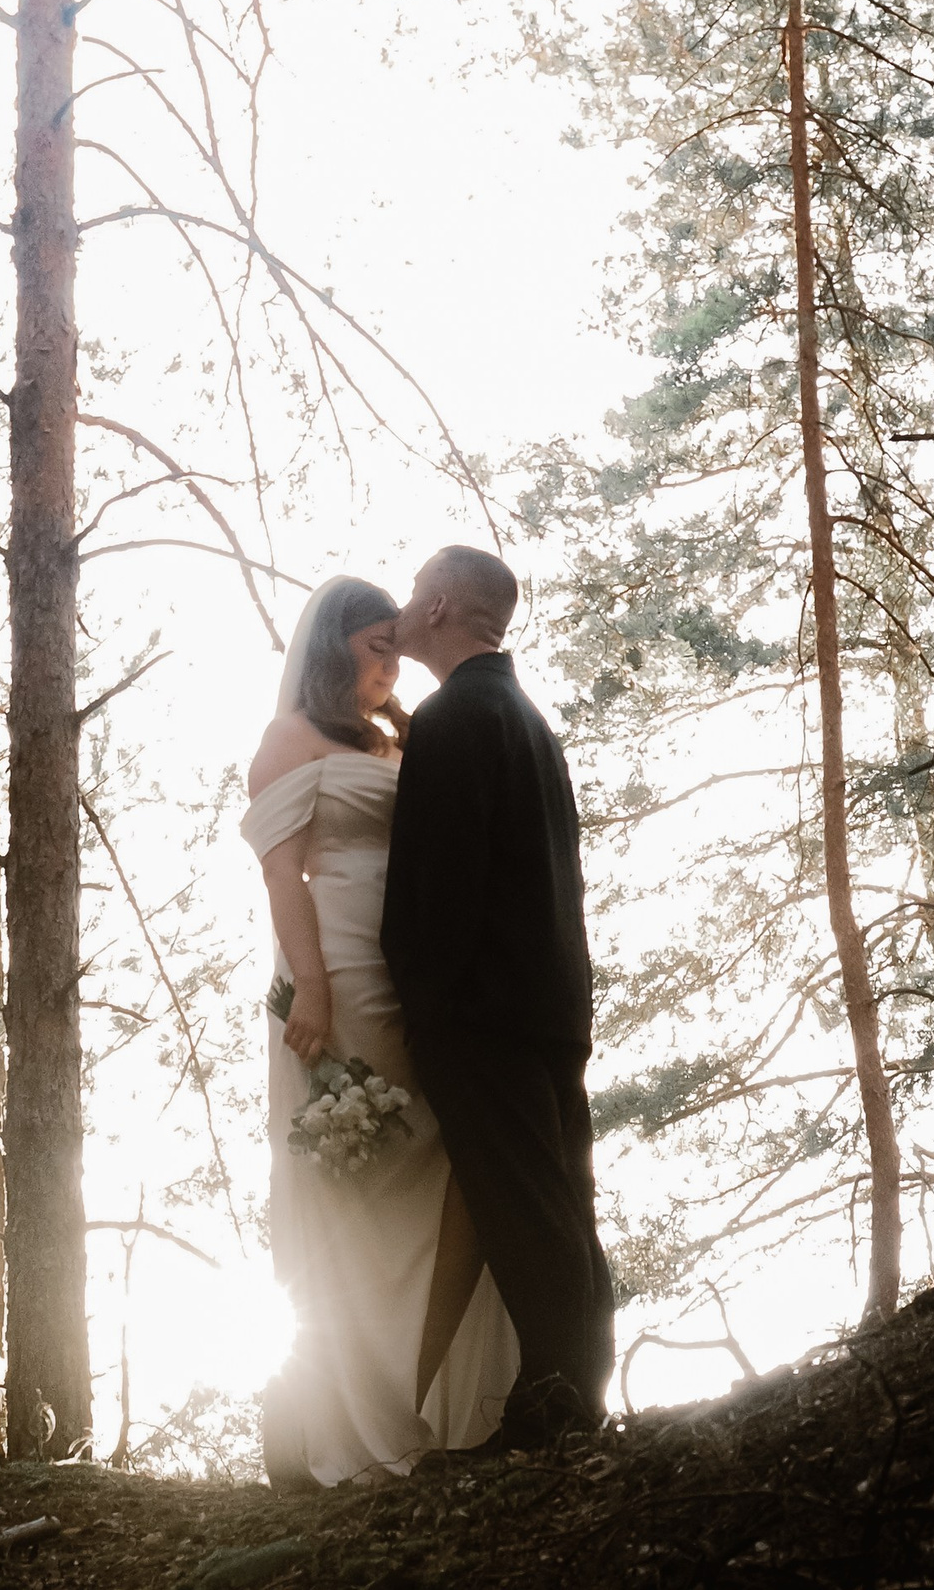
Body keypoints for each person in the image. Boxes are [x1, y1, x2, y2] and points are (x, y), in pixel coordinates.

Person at [241, 577, 519, 1485]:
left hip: (412, 976)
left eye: (396, 650)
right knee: (346, 1188)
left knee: (438, 1159)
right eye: (374, 648)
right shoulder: (286, 741)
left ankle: (436, 1399)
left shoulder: (402, 740)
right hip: (338, 971)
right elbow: (286, 879)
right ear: (333, 650)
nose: (390, 666)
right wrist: (313, 992)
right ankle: (356, 1428)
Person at [381, 542, 616, 1445]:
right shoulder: (525, 717)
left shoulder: (454, 719)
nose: (403, 608)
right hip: (551, 1005)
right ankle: (559, 1394)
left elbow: (437, 892)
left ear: (439, 606)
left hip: (484, 1014)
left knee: (527, 1210)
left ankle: (558, 1404)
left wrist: (421, 1005)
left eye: (412, 593)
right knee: (562, 1199)